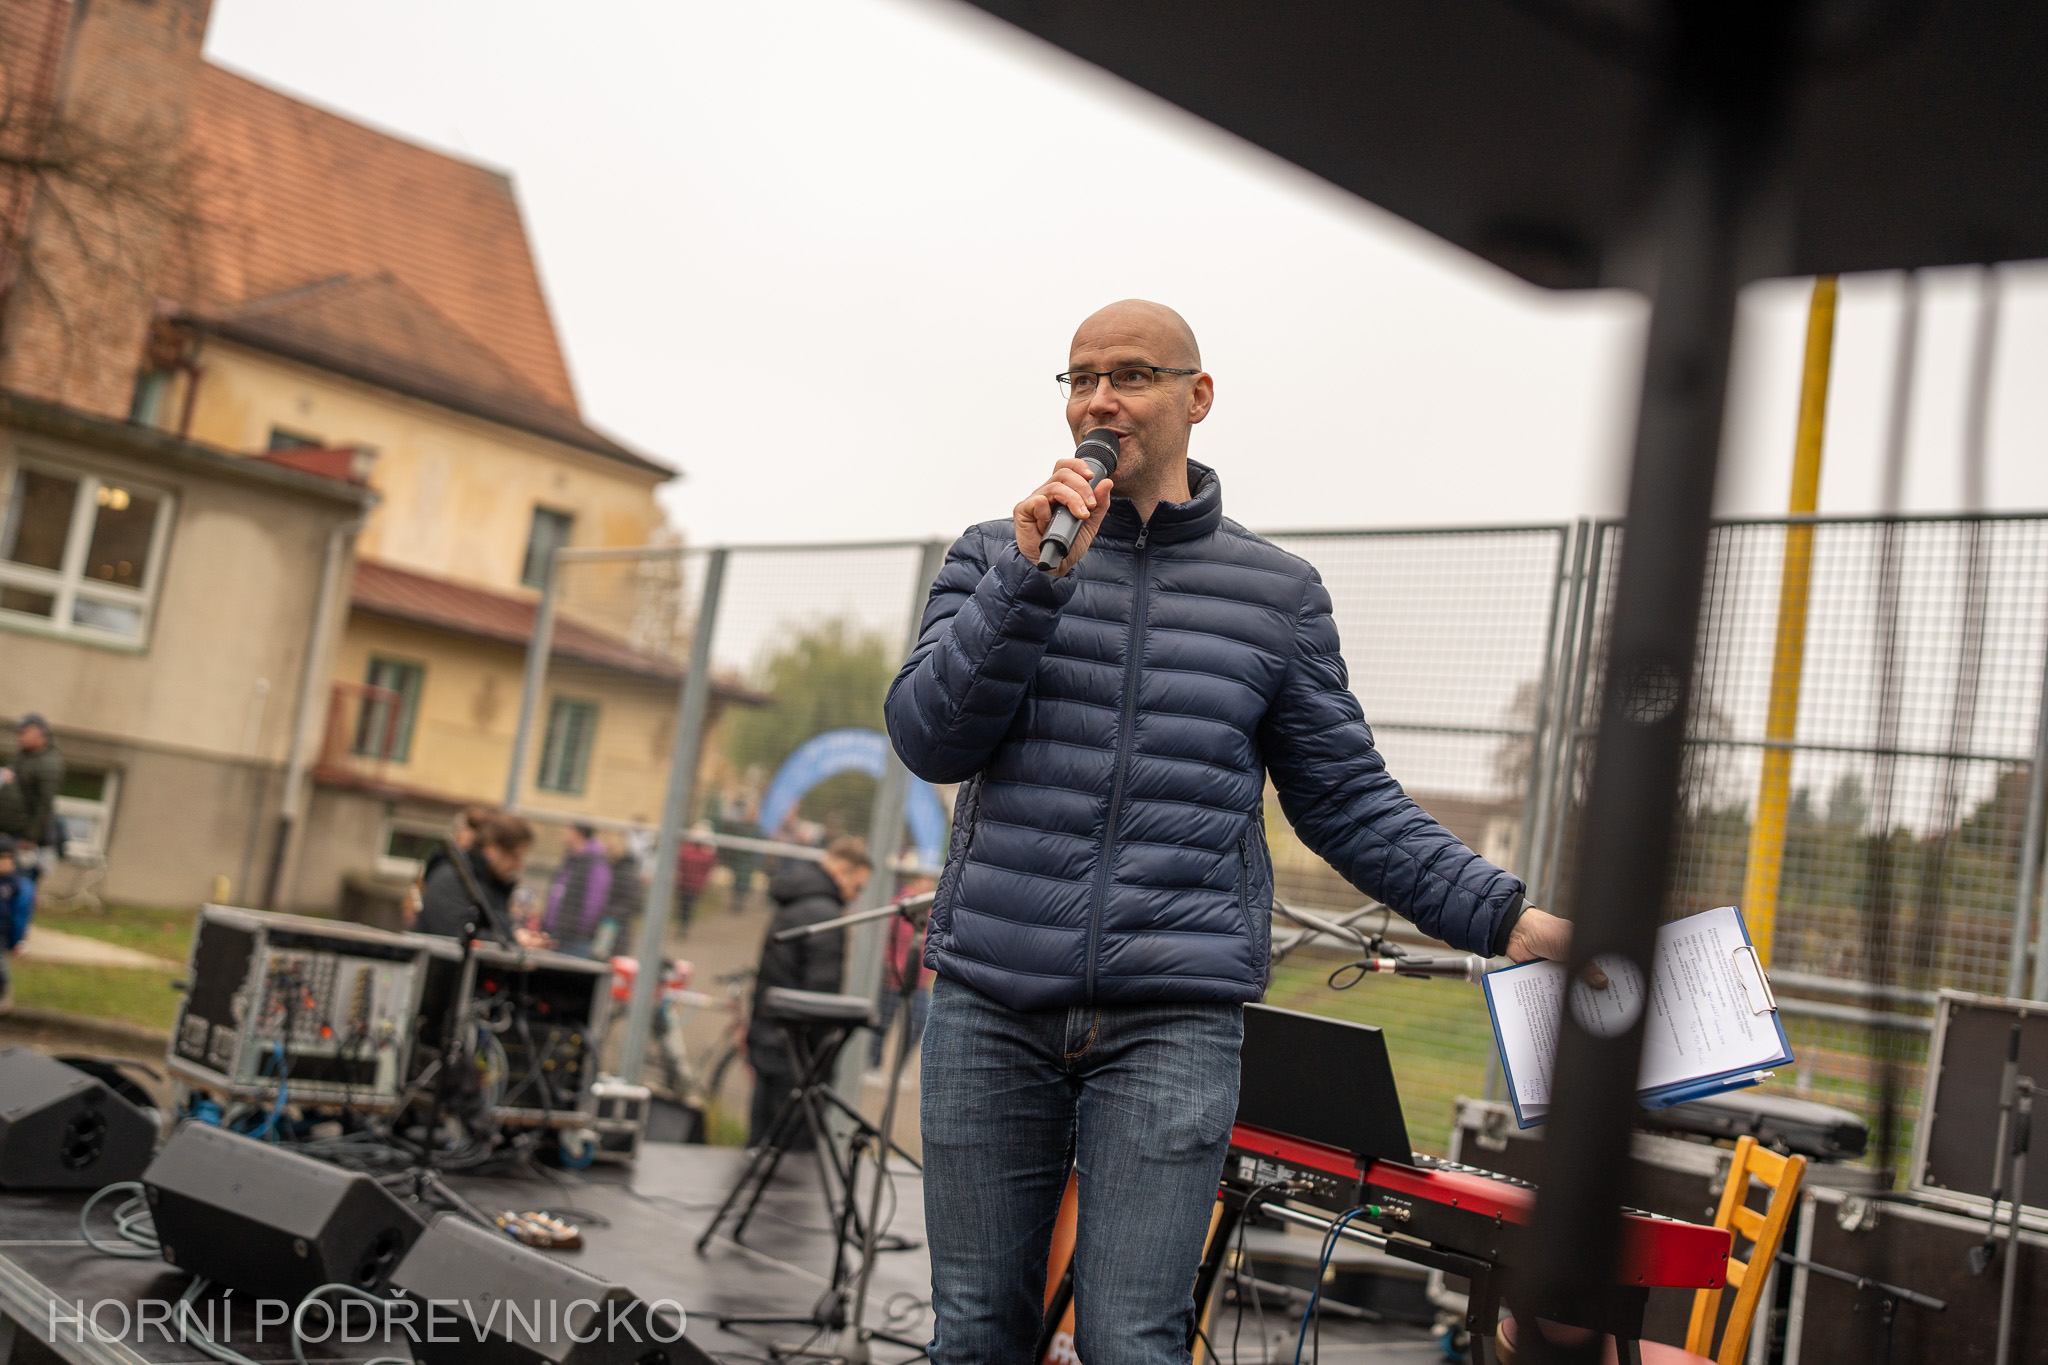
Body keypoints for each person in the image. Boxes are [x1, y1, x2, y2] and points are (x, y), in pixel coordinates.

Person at [883, 300, 1580, 1364]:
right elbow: (930, 738)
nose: (1099, 400)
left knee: (1132, 1341)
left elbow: (1346, 800)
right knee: (976, 1334)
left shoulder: (1276, 596)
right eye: (1080, 378)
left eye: (1130, 374)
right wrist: (1027, 585)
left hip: (1170, 1020)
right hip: (990, 998)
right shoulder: (995, 554)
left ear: (1197, 397)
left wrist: (1508, 918)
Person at [744, 836, 872, 1151]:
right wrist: (823, 1061)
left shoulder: (795, 900)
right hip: (798, 1054)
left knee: (760, 1141)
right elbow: (821, 997)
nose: (855, 897)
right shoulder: (825, 915)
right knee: (793, 1152)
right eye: (857, 887)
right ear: (840, 871)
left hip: (769, 1037)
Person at [415, 811, 550, 949]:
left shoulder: (493, 885)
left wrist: (515, 938)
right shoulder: (450, 879)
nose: (519, 864)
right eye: (514, 856)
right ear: (492, 849)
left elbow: (493, 929)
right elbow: (454, 934)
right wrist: (513, 941)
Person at [868, 873, 937, 1070]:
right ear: (915, 881)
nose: (928, 884)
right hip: (893, 978)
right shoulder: (899, 906)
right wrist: (891, 964)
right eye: (925, 879)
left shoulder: (932, 910)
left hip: (918, 980)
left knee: (919, 1021)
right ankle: (873, 1064)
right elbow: (885, 938)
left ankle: (899, 1067)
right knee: (882, 1023)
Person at [0, 714, 65, 907]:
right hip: (10, 833)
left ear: (40, 734)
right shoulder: (22, 757)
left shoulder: (48, 763)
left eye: (24, 732)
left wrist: (30, 837)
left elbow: (44, 804)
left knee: (20, 887)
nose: (20, 737)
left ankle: (17, 924)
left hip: (25, 839)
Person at [544, 824, 612, 957]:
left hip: (575, 939)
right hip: (556, 934)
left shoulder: (596, 864)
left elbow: (594, 904)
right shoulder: (571, 859)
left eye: (568, 829)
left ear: (577, 833)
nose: (563, 832)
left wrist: (575, 929)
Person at [0, 835, 31, 1009]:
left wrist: (19, 940)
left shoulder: (17, 885)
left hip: (3, 930)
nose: (3, 863)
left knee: (1, 963)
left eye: (7, 858)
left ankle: (4, 991)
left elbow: (21, 914)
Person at [674, 824, 717, 930]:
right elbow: (680, 861)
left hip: (697, 883)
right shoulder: (686, 848)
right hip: (684, 881)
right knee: (683, 904)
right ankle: (682, 923)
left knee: (690, 904)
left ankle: (685, 925)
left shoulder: (708, 850)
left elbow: (710, 866)